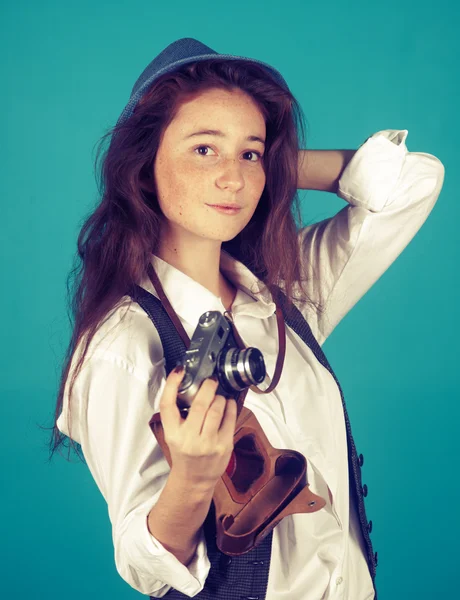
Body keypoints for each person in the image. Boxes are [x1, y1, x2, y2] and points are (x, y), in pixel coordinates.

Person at [49, 37, 445, 600]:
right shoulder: (122, 345)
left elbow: (413, 182)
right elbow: (146, 565)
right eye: (204, 150)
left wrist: (279, 164)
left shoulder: (286, 290)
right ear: (143, 164)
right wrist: (190, 481)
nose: (232, 178)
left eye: (250, 153)